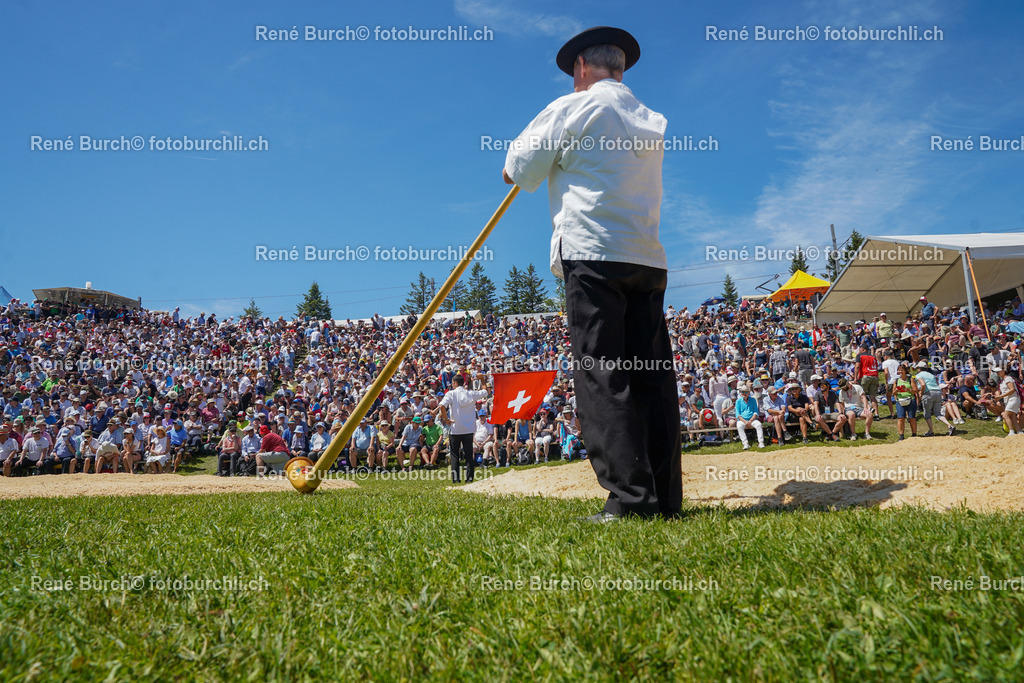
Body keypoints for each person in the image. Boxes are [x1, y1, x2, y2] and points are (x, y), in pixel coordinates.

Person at [503, 26, 680, 522]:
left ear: (582, 67)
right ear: (620, 68)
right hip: (645, 256)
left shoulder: (572, 106)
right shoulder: (651, 119)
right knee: (651, 379)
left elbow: (517, 168)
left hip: (594, 253)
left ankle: (628, 500)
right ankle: (664, 499)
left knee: (603, 374)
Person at [439, 374, 489, 483]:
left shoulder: (451, 394)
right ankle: (469, 478)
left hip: (455, 429)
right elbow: (485, 392)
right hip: (468, 430)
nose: (452, 385)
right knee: (468, 455)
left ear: (455, 383)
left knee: (455, 455)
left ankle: (456, 479)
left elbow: (442, 406)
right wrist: (482, 379)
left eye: (452, 383)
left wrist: (446, 419)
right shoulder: (471, 393)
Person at [914, 361, 954, 437]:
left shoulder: (918, 375)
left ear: (919, 368)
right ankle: (949, 425)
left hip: (928, 393)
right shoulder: (931, 375)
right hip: (938, 392)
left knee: (927, 413)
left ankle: (931, 431)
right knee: (938, 413)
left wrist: (921, 393)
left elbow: (923, 385)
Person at [733, 384, 764, 450]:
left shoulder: (753, 400)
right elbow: (738, 414)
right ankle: (745, 443)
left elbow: (756, 412)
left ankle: (761, 442)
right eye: (743, 392)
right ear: (740, 393)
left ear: (749, 392)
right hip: (742, 420)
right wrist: (745, 421)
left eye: (746, 392)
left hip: (752, 419)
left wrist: (750, 421)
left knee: (758, 424)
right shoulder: (738, 401)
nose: (744, 393)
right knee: (739, 426)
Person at [892, 363, 919, 440]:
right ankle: (901, 435)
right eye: (899, 370)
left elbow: (915, 390)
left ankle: (914, 434)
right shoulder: (896, 381)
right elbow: (893, 392)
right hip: (900, 400)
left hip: (910, 399)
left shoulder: (910, 379)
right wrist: (896, 391)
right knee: (900, 418)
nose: (900, 372)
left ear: (905, 371)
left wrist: (908, 390)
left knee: (912, 418)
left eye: (902, 370)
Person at [994, 365, 1022, 435]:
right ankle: (1019, 431)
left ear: (1004, 371)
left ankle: (1011, 432)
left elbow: (1012, 390)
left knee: (1005, 415)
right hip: (1010, 400)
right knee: (1012, 416)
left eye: (998, 371)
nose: (997, 373)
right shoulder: (1003, 380)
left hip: (1013, 399)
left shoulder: (1008, 379)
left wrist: (1000, 396)